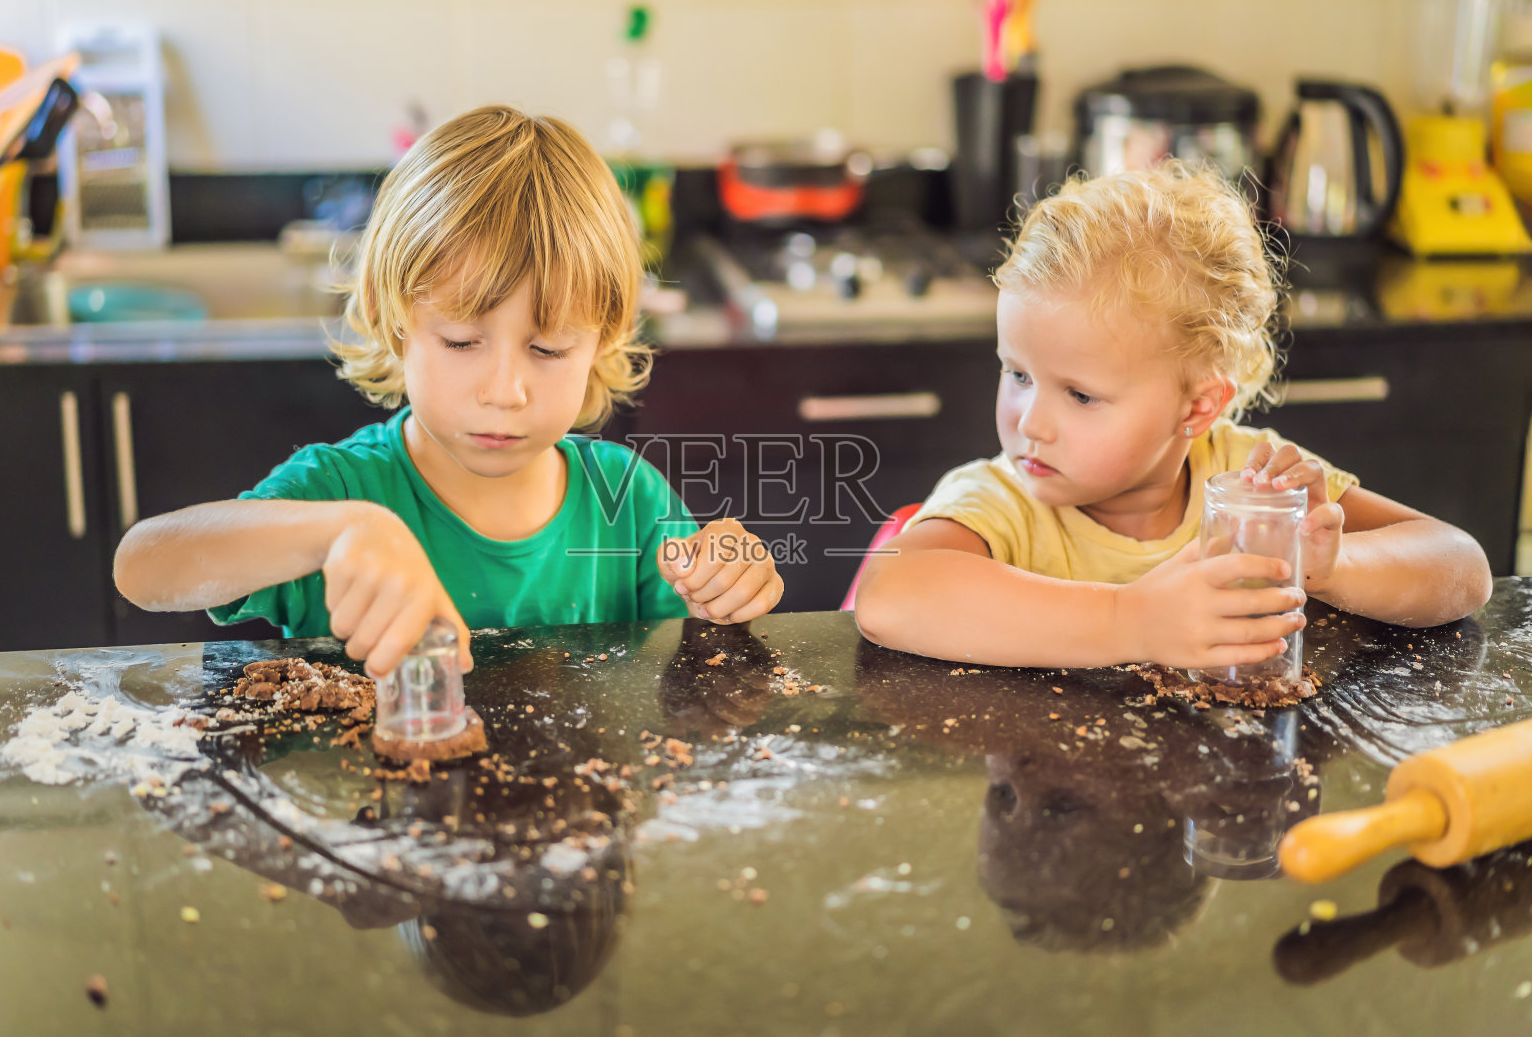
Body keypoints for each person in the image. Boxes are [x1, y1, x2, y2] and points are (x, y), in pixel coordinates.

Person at [115, 106, 783, 677]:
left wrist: (720, 594)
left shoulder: (628, 505)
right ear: (392, 319)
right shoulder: (343, 491)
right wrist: (343, 532)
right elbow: (143, 565)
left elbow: (691, 686)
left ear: (603, 341)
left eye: (548, 349)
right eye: (463, 342)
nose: (504, 390)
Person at [853, 160, 1492, 670]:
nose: (1030, 423)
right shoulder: (1001, 501)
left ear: (1199, 405)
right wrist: (1130, 621)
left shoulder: (1249, 484)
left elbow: (1461, 567)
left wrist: (1331, 567)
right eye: (1018, 374)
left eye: (1080, 395)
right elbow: (890, 594)